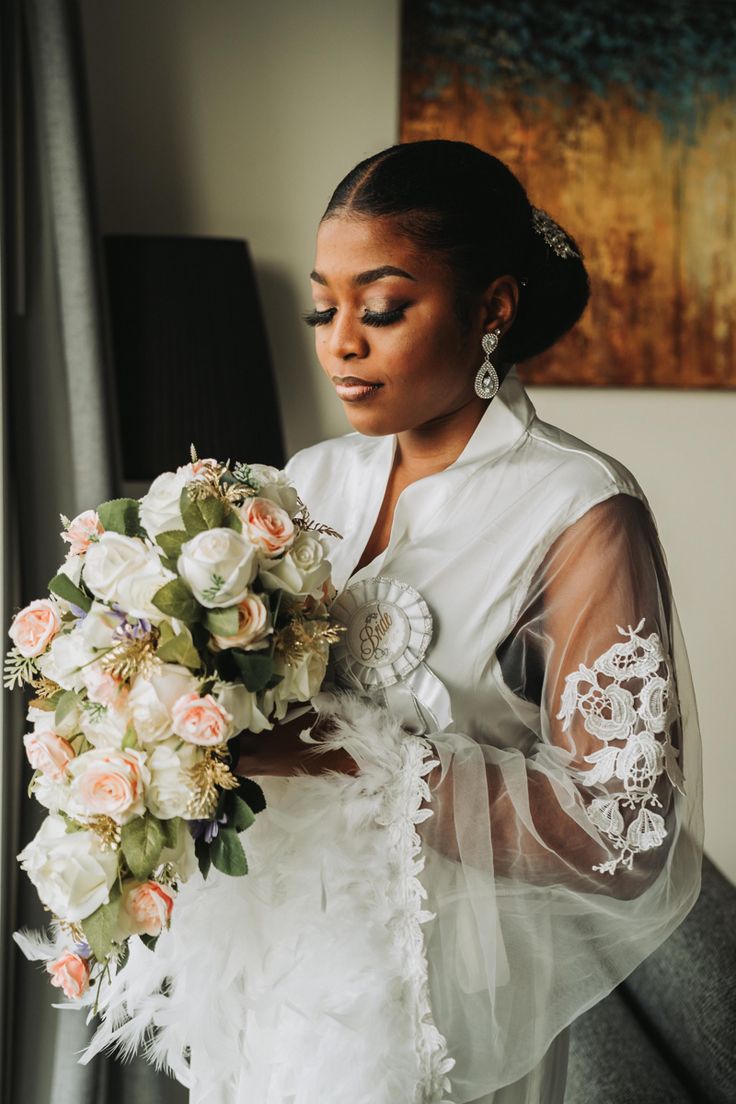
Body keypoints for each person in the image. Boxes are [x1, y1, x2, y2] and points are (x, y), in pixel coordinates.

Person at [82, 140, 704, 1104]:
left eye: (379, 310)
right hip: (278, 966)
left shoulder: (579, 511)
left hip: (441, 1001)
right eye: (324, 310)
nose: (340, 342)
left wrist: (347, 753)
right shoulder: (310, 480)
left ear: (492, 309)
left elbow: (624, 830)